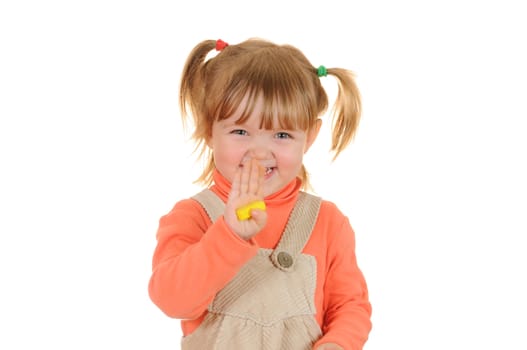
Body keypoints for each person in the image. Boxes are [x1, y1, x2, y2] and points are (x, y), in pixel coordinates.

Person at [148, 38, 372, 350]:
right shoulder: (193, 216)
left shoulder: (328, 223)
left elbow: (350, 307)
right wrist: (229, 235)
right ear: (208, 129)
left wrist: (337, 344)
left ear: (309, 138)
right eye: (240, 132)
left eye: (282, 135)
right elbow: (172, 299)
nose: (259, 151)